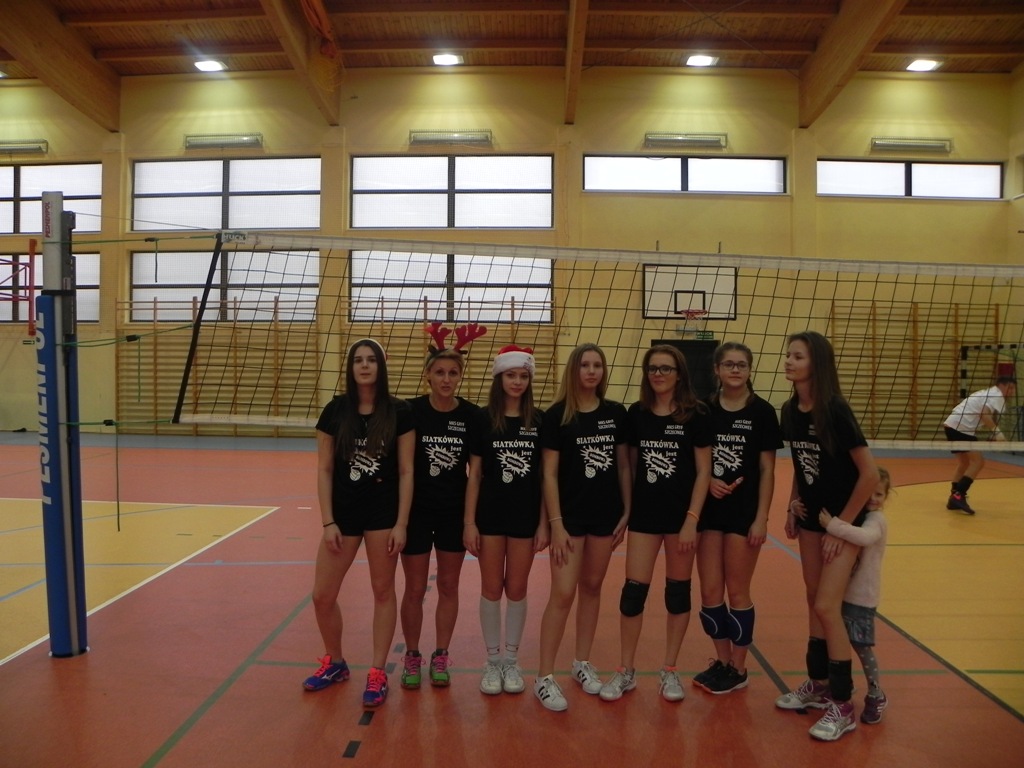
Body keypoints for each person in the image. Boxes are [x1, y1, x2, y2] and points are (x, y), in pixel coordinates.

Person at [775, 330, 879, 742]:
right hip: (812, 520)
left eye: (797, 356)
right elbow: (803, 465)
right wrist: (792, 503)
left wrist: (841, 526)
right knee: (813, 600)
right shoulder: (790, 410)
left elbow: (869, 475)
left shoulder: (835, 409)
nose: (788, 361)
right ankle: (818, 685)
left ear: (816, 363)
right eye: (788, 355)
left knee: (826, 606)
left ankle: (843, 704)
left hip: (844, 523)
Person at [303, 338, 415, 708]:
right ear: (351, 368)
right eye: (358, 360)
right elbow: (323, 469)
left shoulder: (399, 411)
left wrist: (401, 523)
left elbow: (406, 470)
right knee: (322, 595)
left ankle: (378, 672)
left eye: (371, 360)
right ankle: (335, 663)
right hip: (344, 515)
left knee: (383, 592)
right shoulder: (335, 411)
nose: (365, 365)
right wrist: (328, 521)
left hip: (383, 515)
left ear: (381, 367)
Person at [599, 344, 712, 703]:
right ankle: (626, 670)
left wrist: (692, 520)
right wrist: (627, 512)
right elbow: (630, 467)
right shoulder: (638, 413)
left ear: (679, 374)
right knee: (633, 594)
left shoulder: (696, 414)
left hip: (682, 519)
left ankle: (670, 669)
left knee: (677, 594)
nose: (658, 374)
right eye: (653, 369)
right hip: (645, 518)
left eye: (666, 368)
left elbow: (704, 471)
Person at [534, 343, 631, 712]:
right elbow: (549, 474)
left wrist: (627, 511)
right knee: (562, 593)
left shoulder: (615, 413)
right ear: (573, 370)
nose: (591, 371)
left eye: (597, 365)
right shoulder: (557, 416)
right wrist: (555, 523)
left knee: (592, 587)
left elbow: (623, 465)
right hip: (569, 519)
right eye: (585, 365)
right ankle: (544, 677)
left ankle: (581, 663)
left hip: (604, 516)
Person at [693, 341, 782, 695]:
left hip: (744, 514)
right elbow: (697, 462)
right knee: (710, 592)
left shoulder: (763, 412)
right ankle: (723, 660)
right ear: (716, 369)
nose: (734, 369)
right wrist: (708, 481)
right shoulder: (703, 409)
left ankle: (739, 668)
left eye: (741, 364)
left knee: (738, 590)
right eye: (728, 364)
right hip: (709, 512)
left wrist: (762, 518)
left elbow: (768, 469)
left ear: (749, 370)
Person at [400, 326, 482, 691]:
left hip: (452, 513)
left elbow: (475, 472)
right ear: (428, 376)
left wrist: (469, 521)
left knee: (449, 585)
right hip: (417, 513)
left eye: (453, 373)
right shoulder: (410, 411)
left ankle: (441, 655)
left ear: (460, 376)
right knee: (415, 588)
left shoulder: (471, 416)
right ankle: (412, 655)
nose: (446, 379)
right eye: (439, 372)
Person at [464, 344, 547, 696]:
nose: (517, 381)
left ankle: (511, 661)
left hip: (525, 517)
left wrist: (544, 523)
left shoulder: (539, 421)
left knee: (517, 588)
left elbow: (545, 477)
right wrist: (469, 522)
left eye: (523, 376)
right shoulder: (483, 419)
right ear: (499, 377)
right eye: (511, 375)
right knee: (491, 588)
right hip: (490, 516)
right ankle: (493, 661)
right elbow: (474, 474)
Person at [818, 466, 891, 725]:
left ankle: (876, 694)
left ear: (886, 497)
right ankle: (841, 685)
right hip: (845, 594)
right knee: (839, 640)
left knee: (861, 647)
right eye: (870, 493)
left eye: (879, 494)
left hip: (862, 598)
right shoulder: (863, 515)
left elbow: (864, 537)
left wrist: (833, 525)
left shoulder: (876, 520)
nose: (873, 499)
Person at [942, 376, 1016, 515]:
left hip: (951, 425)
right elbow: (984, 414)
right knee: (978, 462)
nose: (1012, 392)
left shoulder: (989, 393)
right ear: (1001, 386)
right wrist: (998, 433)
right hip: (961, 427)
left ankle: (954, 496)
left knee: (964, 463)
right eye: (1010, 388)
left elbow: (982, 414)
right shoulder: (996, 394)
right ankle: (958, 495)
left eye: (1013, 389)